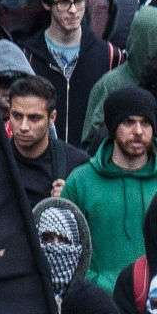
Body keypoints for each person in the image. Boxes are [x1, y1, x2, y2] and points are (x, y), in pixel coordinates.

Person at [26, 0, 125, 145]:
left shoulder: (111, 57)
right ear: (47, 3)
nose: (73, 10)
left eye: (79, 0)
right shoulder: (27, 57)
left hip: (92, 168)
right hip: (44, 166)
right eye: (64, 2)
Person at [66, 86, 157, 288]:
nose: (138, 131)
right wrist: (94, 284)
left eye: (146, 123)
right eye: (129, 122)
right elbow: (62, 248)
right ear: (113, 126)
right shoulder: (81, 181)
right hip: (100, 305)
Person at [8, 74, 87, 206]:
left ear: (52, 117)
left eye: (34, 118)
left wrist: (73, 204)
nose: (23, 127)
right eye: (17, 116)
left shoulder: (76, 166)